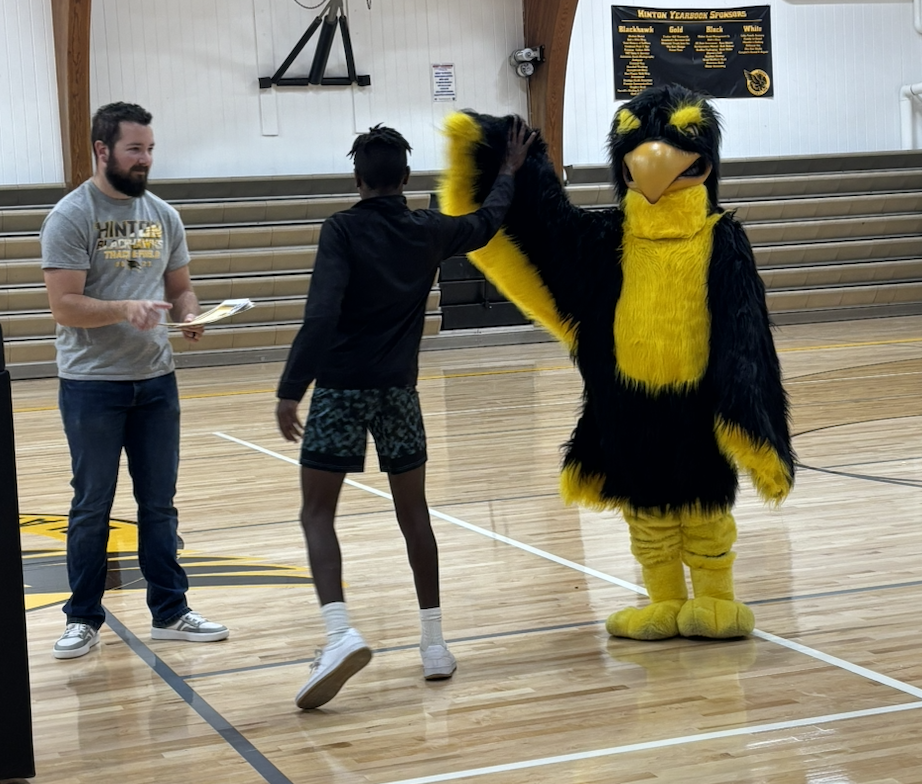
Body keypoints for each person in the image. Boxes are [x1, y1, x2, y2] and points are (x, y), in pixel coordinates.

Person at [276, 120, 535, 709]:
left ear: (357, 177)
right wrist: (508, 173)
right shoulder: (428, 231)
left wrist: (292, 387)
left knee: (317, 514)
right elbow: (488, 222)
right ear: (406, 178)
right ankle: (434, 645)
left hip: (340, 389)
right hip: (399, 391)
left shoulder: (339, 230)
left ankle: (340, 634)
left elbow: (321, 316)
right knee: (414, 514)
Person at [41, 101, 228, 660]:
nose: (145, 159)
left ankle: (171, 610)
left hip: (156, 382)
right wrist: (125, 309)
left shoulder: (164, 215)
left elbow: (180, 287)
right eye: (134, 149)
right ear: (103, 151)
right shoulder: (72, 216)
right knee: (92, 505)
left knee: (159, 504)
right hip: (92, 385)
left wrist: (190, 313)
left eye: (149, 149)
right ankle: (82, 618)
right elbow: (64, 307)